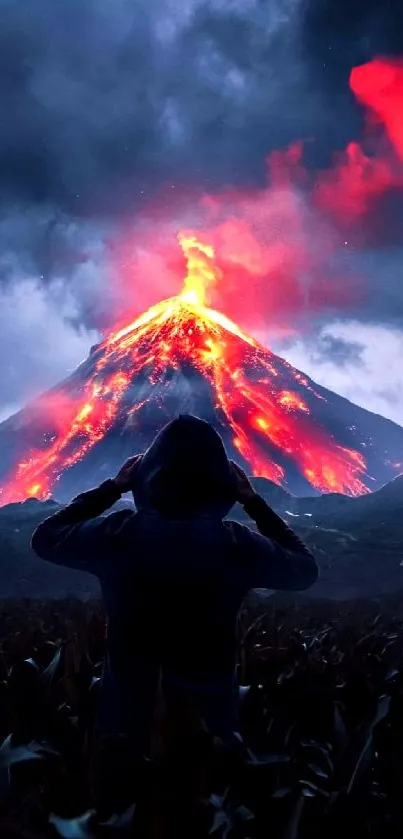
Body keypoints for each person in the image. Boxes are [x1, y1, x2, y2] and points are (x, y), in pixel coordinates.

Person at [31, 414, 318, 814]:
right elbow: (305, 570)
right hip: (212, 727)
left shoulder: (120, 535)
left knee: (121, 816)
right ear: (221, 487)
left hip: (125, 722)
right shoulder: (235, 544)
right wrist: (253, 502)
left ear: (147, 479)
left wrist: (111, 489)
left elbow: (46, 539)